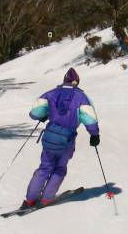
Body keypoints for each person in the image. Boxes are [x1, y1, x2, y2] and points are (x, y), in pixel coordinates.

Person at [19, 67, 100, 210]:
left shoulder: (50, 93)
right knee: (60, 168)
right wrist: (94, 135)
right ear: (77, 82)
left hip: (49, 137)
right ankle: (46, 199)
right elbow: (90, 119)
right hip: (67, 139)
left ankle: (30, 199)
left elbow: (34, 113)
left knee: (44, 167)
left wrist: (44, 114)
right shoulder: (82, 97)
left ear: (64, 80)